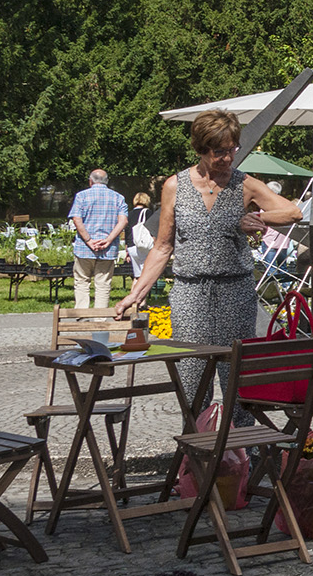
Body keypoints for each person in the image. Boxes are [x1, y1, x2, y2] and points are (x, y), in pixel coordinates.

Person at [115, 110, 302, 421]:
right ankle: (198, 461)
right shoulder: (175, 186)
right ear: (200, 149)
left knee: (239, 385)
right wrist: (136, 293)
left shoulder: (244, 184)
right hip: (190, 296)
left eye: (232, 149)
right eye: (219, 151)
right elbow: (162, 247)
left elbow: (292, 213)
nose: (228, 158)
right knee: (192, 385)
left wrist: (258, 218)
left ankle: (244, 459)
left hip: (236, 294)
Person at [68, 169, 128, 310]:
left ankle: (82, 316)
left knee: (82, 281)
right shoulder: (118, 197)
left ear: (90, 181)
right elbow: (123, 221)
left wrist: (88, 240)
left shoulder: (81, 196)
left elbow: (77, 219)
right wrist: (108, 240)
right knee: (103, 284)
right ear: (107, 181)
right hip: (107, 249)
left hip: (84, 248)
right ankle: (100, 318)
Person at [126, 192, 154, 277]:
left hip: (131, 246)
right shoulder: (148, 213)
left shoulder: (129, 214)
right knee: (146, 275)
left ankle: (134, 290)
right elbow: (153, 229)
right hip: (143, 245)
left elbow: (127, 231)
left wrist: (126, 249)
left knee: (137, 276)